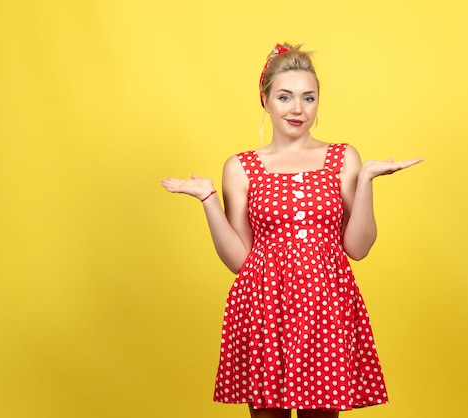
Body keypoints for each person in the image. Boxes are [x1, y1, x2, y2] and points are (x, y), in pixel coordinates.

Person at [161, 43, 422, 418]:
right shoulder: (240, 167)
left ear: (318, 103)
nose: (297, 109)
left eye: (308, 98)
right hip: (264, 306)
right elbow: (240, 262)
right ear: (265, 101)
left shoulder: (344, 158)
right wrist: (208, 201)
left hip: (326, 306)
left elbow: (358, 247)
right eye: (284, 97)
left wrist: (365, 179)